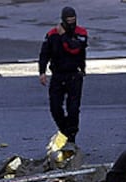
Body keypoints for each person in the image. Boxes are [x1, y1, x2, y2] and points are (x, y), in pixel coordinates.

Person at [38, 6, 88, 144]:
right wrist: (42, 72)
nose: (71, 23)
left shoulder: (81, 33)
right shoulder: (51, 34)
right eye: (69, 20)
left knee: (73, 108)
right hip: (58, 75)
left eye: (73, 20)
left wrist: (63, 35)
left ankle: (71, 137)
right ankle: (65, 131)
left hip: (74, 74)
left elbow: (74, 48)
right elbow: (44, 54)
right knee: (55, 107)